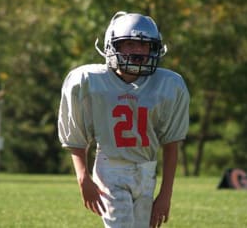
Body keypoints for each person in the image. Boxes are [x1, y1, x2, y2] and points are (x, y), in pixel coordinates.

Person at [58, 11, 189, 228]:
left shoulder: (168, 84)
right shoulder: (89, 81)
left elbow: (171, 144)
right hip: (112, 169)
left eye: (144, 45)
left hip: (147, 171)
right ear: (113, 46)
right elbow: (76, 136)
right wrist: (83, 177)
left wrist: (166, 195)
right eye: (129, 43)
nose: (138, 50)